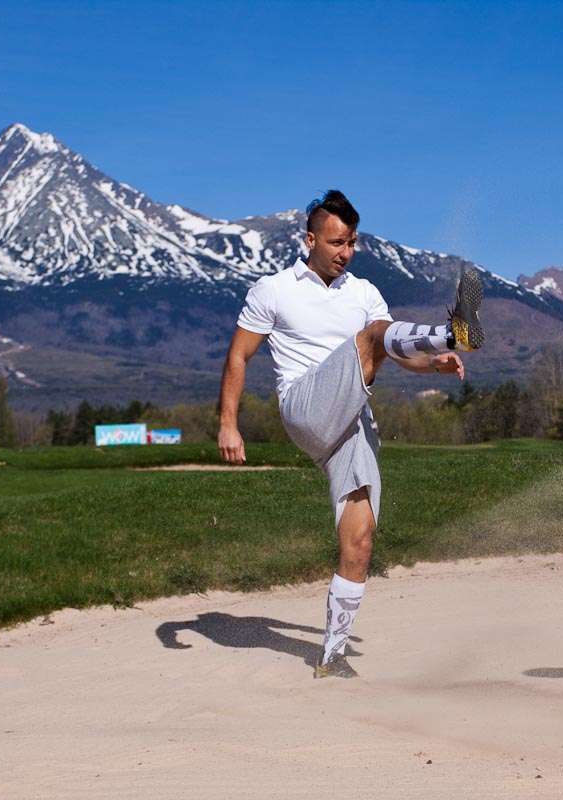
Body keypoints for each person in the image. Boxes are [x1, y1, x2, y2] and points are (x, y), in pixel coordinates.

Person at [217, 189, 485, 678]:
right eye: (337, 242)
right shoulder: (273, 289)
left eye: (353, 243)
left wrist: (432, 365)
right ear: (310, 239)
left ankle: (331, 657)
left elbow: (387, 346)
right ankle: (453, 330)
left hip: (351, 416)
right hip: (304, 407)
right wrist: (228, 424)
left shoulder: (362, 292)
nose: (346, 252)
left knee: (360, 542)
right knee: (364, 339)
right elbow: (239, 356)